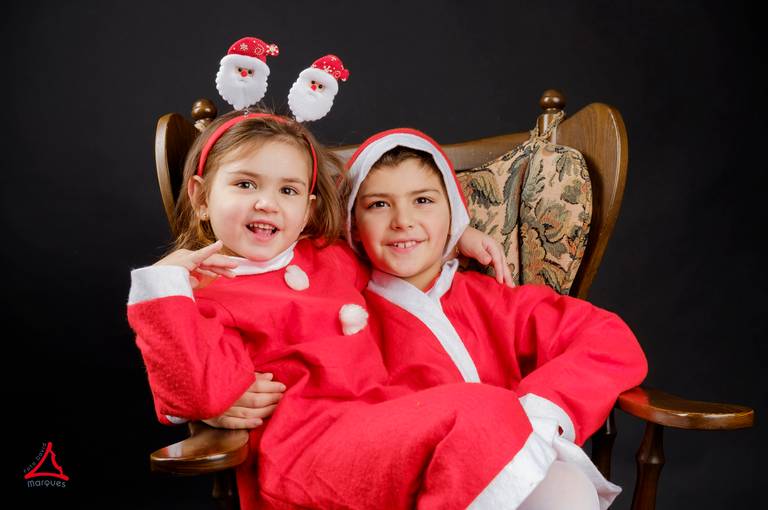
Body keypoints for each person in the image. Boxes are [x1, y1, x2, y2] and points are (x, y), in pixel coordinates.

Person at [127, 110, 561, 509]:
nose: (267, 203)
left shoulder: (329, 255)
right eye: (245, 184)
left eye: (288, 190)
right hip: (305, 451)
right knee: (482, 410)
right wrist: (164, 284)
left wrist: (455, 235)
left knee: (491, 416)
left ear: (308, 210)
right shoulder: (202, 294)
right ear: (201, 197)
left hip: (382, 423)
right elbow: (193, 388)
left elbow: (389, 238)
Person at [336, 127, 649, 509]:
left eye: (423, 200)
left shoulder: (494, 302)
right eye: (378, 205)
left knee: (567, 487)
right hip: (406, 490)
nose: (403, 220)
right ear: (352, 224)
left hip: (502, 472)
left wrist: (537, 413)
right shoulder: (340, 308)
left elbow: (607, 339)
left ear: (453, 212)